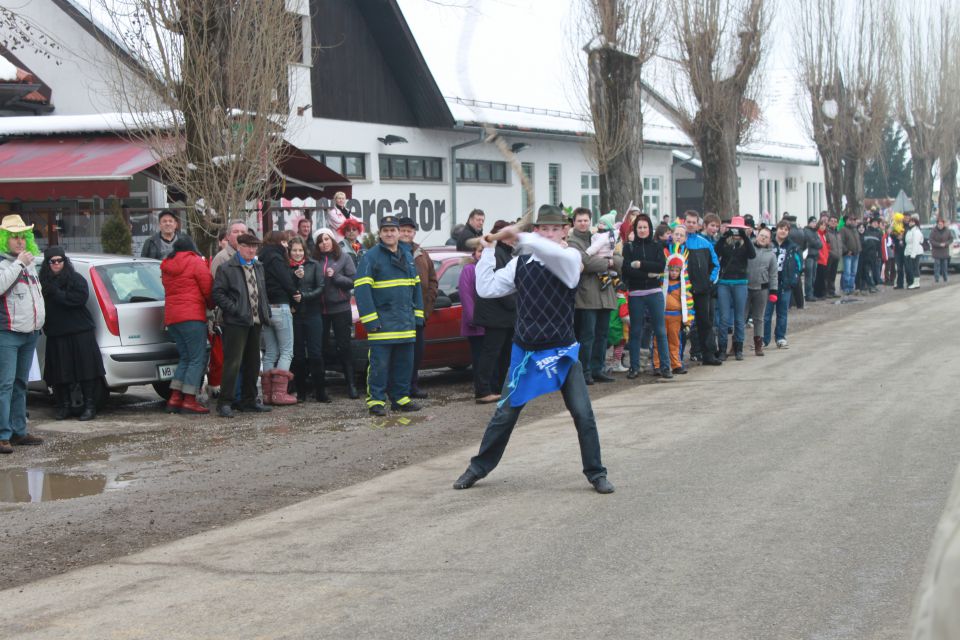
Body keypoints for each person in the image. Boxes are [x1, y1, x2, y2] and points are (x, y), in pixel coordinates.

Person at [452, 205, 614, 495]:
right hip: (525, 352)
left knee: (583, 414)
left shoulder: (570, 258)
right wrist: (489, 248)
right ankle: (478, 467)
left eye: (555, 229)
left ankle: (596, 473)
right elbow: (487, 288)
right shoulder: (520, 263)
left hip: (562, 353)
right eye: (544, 229)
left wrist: (520, 237)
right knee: (504, 414)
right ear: (537, 229)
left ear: (565, 231)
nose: (550, 234)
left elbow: (551, 254)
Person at [355, 215, 424, 416]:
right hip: (382, 324)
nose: (390, 233)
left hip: (405, 322)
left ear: (398, 232)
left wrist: (418, 316)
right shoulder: (370, 257)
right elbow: (362, 290)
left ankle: (401, 399)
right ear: (380, 233)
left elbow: (416, 287)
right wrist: (371, 320)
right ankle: (376, 401)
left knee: (405, 364)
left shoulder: (407, 255)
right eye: (385, 230)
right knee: (380, 365)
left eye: (393, 230)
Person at [38, 246, 104, 422]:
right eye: (53, 261)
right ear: (48, 263)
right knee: (60, 372)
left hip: (80, 331)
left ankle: (90, 406)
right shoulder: (42, 282)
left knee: (86, 370)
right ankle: (64, 406)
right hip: (56, 333)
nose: (57, 264)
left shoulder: (76, 279)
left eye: (60, 260)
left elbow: (78, 299)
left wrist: (57, 293)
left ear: (65, 261)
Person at [211, 233, 273, 418]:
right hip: (236, 322)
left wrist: (265, 311)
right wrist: (235, 309)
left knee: (253, 363)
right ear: (239, 247)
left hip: (255, 321)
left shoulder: (258, 266)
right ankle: (224, 403)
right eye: (248, 246)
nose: (252, 250)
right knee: (233, 363)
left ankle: (249, 401)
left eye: (255, 247)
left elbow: (262, 291)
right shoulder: (227, 268)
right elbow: (218, 293)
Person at [0, 215, 46, 453]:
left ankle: (18, 431)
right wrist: (18, 263)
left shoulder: (28, 263)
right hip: (7, 333)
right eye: (14, 237)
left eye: (22, 237)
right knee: (4, 385)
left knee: (20, 384)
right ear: (4, 239)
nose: (19, 241)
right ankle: (2, 435)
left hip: (29, 332)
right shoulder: (5, 263)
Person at [567, 207, 622, 384]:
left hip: (605, 293)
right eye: (579, 220)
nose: (583, 223)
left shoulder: (598, 235)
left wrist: (612, 261)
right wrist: (609, 262)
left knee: (602, 334)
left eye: (586, 220)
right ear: (574, 222)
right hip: (586, 295)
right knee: (587, 335)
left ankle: (598, 369)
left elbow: (619, 257)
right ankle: (584, 371)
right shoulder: (572, 241)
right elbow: (585, 262)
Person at [161, 237, 213, 415]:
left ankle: (175, 398)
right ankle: (190, 400)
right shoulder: (195, 261)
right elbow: (207, 287)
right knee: (197, 359)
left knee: (185, 358)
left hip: (172, 318)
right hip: (192, 316)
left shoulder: (167, 264)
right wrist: (212, 304)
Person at [622, 213, 672, 379]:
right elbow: (627, 271)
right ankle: (634, 367)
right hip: (636, 293)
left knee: (660, 330)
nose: (642, 230)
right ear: (635, 229)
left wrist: (641, 265)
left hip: (654, 292)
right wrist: (648, 274)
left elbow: (660, 266)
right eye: (639, 227)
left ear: (650, 229)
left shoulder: (657, 246)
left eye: (645, 227)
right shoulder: (629, 247)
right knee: (636, 331)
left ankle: (665, 367)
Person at [472, 220, 517, 404]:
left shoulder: (507, 254)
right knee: (491, 353)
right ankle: (483, 390)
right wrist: (515, 304)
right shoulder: (497, 254)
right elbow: (498, 287)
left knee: (505, 353)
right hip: (496, 314)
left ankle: (499, 387)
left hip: (505, 315)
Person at [314, 228, 358, 399]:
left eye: (326, 239)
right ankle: (322, 389)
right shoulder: (314, 261)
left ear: (332, 240)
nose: (324, 243)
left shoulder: (344, 257)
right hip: (320, 311)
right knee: (321, 349)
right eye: (320, 240)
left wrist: (336, 277)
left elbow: (354, 281)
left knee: (344, 347)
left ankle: (351, 386)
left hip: (341, 309)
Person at [398, 217, 438, 399]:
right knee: (401, 354)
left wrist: (427, 306)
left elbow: (433, 281)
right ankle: (400, 388)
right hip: (399, 315)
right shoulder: (393, 251)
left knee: (416, 353)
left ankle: (413, 385)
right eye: (403, 230)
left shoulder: (422, 254)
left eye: (409, 231)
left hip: (419, 315)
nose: (406, 234)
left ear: (414, 233)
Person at [207, 220, 247, 399]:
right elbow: (216, 291)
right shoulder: (222, 258)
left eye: (242, 232)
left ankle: (244, 395)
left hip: (248, 316)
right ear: (228, 236)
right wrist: (232, 309)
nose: (239, 235)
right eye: (235, 232)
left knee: (247, 359)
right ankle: (230, 397)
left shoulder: (249, 256)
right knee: (231, 360)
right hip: (229, 317)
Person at [258, 231, 299, 405]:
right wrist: (295, 293)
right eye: (285, 241)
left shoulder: (261, 258)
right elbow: (285, 280)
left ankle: (267, 394)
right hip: (281, 307)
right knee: (286, 351)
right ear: (279, 242)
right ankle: (279, 394)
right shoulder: (277, 257)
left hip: (266, 309)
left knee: (270, 352)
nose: (287, 245)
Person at [288, 236, 328, 403]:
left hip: (312, 314)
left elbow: (321, 288)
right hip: (295, 316)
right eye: (294, 250)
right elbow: (285, 289)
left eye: (300, 250)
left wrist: (304, 296)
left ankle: (321, 392)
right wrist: (295, 278)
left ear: (304, 251)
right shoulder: (286, 267)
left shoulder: (313, 265)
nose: (297, 253)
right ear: (289, 252)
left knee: (315, 354)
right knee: (297, 356)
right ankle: (301, 392)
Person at [681, 211, 722, 366]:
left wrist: (709, 282)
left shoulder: (705, 243)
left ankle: (708, 354)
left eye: (693, 222)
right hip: (683, 290)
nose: (691, 225)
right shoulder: (679, 242)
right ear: (684, 222)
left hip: (702, 290)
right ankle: (678, 356)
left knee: (705, 323)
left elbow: (715, 265)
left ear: (698, 224)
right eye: (688, 221)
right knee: (683, 324)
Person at [715, 216, 756, 361]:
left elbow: (752, 255)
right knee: (724, 318)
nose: (737, 233)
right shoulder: (725, 243)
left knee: (739, 317)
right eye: (735, 230)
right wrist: (724, 236)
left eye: (740, 230)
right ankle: (722, 349)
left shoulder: (745, 244)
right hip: (724, 282)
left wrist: (746, 237)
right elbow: (716, 252)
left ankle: (738, 348)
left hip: (740, 282)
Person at [653, 249, 693, 374]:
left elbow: (688, 302)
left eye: (677, 270)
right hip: (662, 316)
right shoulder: (660, 282)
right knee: (658, 340)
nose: (674, 273)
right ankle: (657, 365)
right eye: (672, 270)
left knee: (675, 341)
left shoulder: (684, 286)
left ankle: (676, 364)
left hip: (676, 317)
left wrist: (688, 321)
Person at [764, 221, 801, 349]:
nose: (783, 231)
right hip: (769, 284)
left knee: (782, 313)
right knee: (766, 313)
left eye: (786, 229)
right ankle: (764, 339)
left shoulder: (792, 246)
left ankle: (780, 337)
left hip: (785, 285)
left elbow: (799, 264)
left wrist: (793, 280)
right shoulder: (769, 243)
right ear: (777, 229)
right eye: (781, 228)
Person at [458, 245, 488, 399]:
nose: (482, 254)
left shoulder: (492, 267)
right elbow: (466, 296)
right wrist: (473, 319)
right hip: (476, 324)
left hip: (491, 323)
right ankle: (481, 389)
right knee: (478, 358)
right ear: (474, 253)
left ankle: (491, 387)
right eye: (479, 251)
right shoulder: (469, 269)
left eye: (485, 251)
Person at [746, 227, 778, 356]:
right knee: (741, 318)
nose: (763, 238)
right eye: (761, 235)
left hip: (762, 289)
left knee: (759, 318)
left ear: (769, 240)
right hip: (746, 288)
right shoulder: (748, 248)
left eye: (766, 236)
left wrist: (773, 291)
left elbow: (773, 275)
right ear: (757, 235)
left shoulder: (771, 255)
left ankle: (759, 344)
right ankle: (736, 344)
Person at [840, 214, 862, 296]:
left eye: (853, 220)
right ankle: (846, 288)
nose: (852, 221)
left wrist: (859, 249)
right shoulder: (843, 229)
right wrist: (846, 251)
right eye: (850, 219)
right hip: (848, 254)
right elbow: (841, 242)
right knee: (847, 272)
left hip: (856, 253)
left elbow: (857, 241)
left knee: (853, 272)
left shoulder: (854, 229)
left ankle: (851, 287)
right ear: (846, 221)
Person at [802, 216, 823, 302]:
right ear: (809, 222)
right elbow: (813, 242)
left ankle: (811, 293)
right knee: (809, 277)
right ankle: (808, 295)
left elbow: (820, 244)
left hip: (815, 256)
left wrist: (817, 242)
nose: (814, 224)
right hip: (809, 256)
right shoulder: (806, 231)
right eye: (813, 222)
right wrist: (817, 242)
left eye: (815, 222)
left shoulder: (815, 232)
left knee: (813, 276)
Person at [861, 216, 883, 292]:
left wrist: (880, 255)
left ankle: (874, 285)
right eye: (874, 223)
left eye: (877, 223)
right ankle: (870, 285)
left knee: (875, 272)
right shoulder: (866, 231)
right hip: (867, 255)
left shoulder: (879, 233)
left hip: (875, 255)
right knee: (867, 271)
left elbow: (880, 245)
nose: (875, 224)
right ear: (870, 224)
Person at [824, 214, 843, 297]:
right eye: (832, 221)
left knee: (833, 275)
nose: (833, 223)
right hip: (829, 256)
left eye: (835, 222)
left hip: (837, 256)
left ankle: (832, 291)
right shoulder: (827, 232)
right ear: (828, 222)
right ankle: (826, 291)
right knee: (827, 275)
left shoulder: (838, 233)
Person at [905, 215, 924, 289]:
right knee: (912, 268)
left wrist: (913, 254)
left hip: (916, 252)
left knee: (915, 267)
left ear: (916, 223)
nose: (910, 223)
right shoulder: (910, 231)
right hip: (910, 251)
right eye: (910, 221)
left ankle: (916, 283)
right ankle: (914, 282)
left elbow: (915, 243)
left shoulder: (916, 231)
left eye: (912, 221)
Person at [930, 217, 952, 283]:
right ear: (937, 224)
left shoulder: (947, 230)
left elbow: (951, 239)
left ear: (943, 224)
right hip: (936, 251)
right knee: (937, 265)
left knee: (945, 266)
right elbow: (931, 240)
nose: (940, 225)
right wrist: (939, 244)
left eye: (941, 224)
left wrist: (946, 243)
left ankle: (945, 278)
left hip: (945, 251)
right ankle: (937, 278)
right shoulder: (933, 231)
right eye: (939, 224)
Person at [813, 219, 830, 299]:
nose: (823, 227)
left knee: (823, 277)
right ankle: (818, 293)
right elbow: (818, 247)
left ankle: (822, 292)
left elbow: (825, 246)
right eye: (821, 225)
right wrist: (822, 256)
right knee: (819, 277)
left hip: (825, 258)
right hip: (820, 259)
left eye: (824, 225)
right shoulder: (817, 234)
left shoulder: (824, 235)